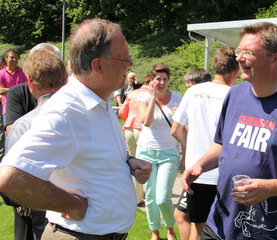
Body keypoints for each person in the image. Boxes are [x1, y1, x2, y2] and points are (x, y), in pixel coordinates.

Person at [0, 18, 152, 239]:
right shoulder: (66, 111)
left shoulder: (99, 102)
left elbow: (88, 153)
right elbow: (10, 177)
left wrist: (128, 162)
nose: (129, 65)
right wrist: (72, 204)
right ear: (98, 65)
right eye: (125, 59)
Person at [182, 22, 277, 240]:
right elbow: (222, 143)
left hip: (269, 232)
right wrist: (200, 165)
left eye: (248, 52)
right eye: (239, 51)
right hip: (221, 225)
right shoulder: (235, 94)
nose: (239, 58)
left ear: (275, 59)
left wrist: (271, 188)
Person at [172, 48, 239, 240]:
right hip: (225, 174)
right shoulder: (235, 94)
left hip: (197, 173)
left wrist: (191, 149)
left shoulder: (194, 91)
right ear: (235, 71)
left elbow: (175, 129)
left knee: (198, 229)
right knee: (225, 229)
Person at [4, 49, 68, 240]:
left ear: (30, 81)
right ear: (65, 79)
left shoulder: (25, 124)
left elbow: (8, 183)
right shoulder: (88, 116)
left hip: (42, 206)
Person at [136, 63, 182, 240]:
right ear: (152, 80)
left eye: (165, 79)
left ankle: (170, 229)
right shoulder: (144, 97)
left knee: (163, 197)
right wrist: (153, 97)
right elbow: (146, 122)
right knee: (151, 198)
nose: (162, 82)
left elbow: (185, 125)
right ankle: (155, 232)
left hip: (169, 153)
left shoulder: (177, 97)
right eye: (158, 79)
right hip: (146, 152)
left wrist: (179, 115)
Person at [172, 68, 213, 240]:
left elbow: (178, 130)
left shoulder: (205, 102)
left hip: (204, 172)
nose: (187, 91)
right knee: (181, 215)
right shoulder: (201, 101)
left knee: (196, 223)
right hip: (198, 170)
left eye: (190, 87)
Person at [5, 43, 62, 135]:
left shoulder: (70, 91)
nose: (45, 68)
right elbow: (13, 131)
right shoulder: (17, 92)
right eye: (38, 64)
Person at [119, 74, 151, 205]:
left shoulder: (132, 93)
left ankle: (132, 196)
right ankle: (142, 197)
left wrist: (128, 119)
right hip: (143, 129)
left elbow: (121, 111)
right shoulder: (151, 94)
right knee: (143, 164)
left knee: (130, 162)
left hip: (129, 128)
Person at [0, 48, 28, 124]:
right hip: (7, 109)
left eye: (16, 57)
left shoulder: (23, 72)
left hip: (23, 108)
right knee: (9, 134)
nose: (14, 59)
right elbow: (1, 91)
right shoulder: (1, 73)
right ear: (6, 58)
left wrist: (7, 90)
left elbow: (27, 89)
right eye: (12, 57)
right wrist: (19, 90)